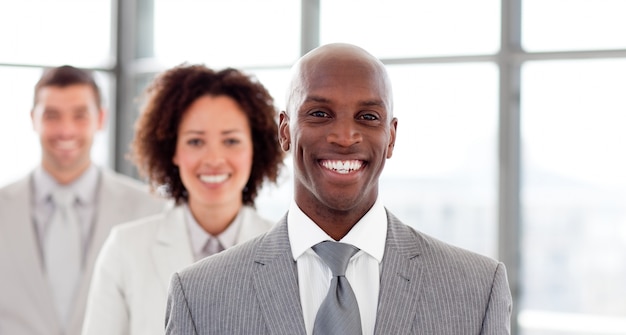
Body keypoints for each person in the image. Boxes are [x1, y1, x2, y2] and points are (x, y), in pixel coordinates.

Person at [164, 43, 513, 335]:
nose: (345, 137)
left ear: (391, 136)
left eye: (368, 117)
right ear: (285, 131)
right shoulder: (199, 295)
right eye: (319, 114)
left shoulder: (477, 289)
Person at [81, 64, 284, 335]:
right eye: (195, 142)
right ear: (172, 150)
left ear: (254, 149)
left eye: (231, 141)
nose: (213, 159)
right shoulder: (125, 249)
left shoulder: (287, 250)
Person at [0, 65, 166, 335]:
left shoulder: (148, 209)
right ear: (33, 119)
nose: (66, 131)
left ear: (101, 118)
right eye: (52, 116)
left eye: (80, 115)